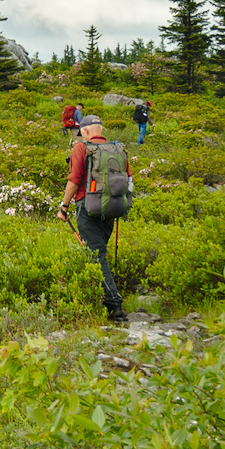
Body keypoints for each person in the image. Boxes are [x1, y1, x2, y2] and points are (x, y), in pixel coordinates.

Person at [56, 114, 130, 323]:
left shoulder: (82, 148)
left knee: (97, 256)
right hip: (111, 208)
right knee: (100, 253)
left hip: (86, 208)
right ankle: (107, 300)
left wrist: (64, 207)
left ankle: (114, 304)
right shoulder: (117, 149)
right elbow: (128, 176)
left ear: (86, 131)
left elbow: (73, 180)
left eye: (81, 133)